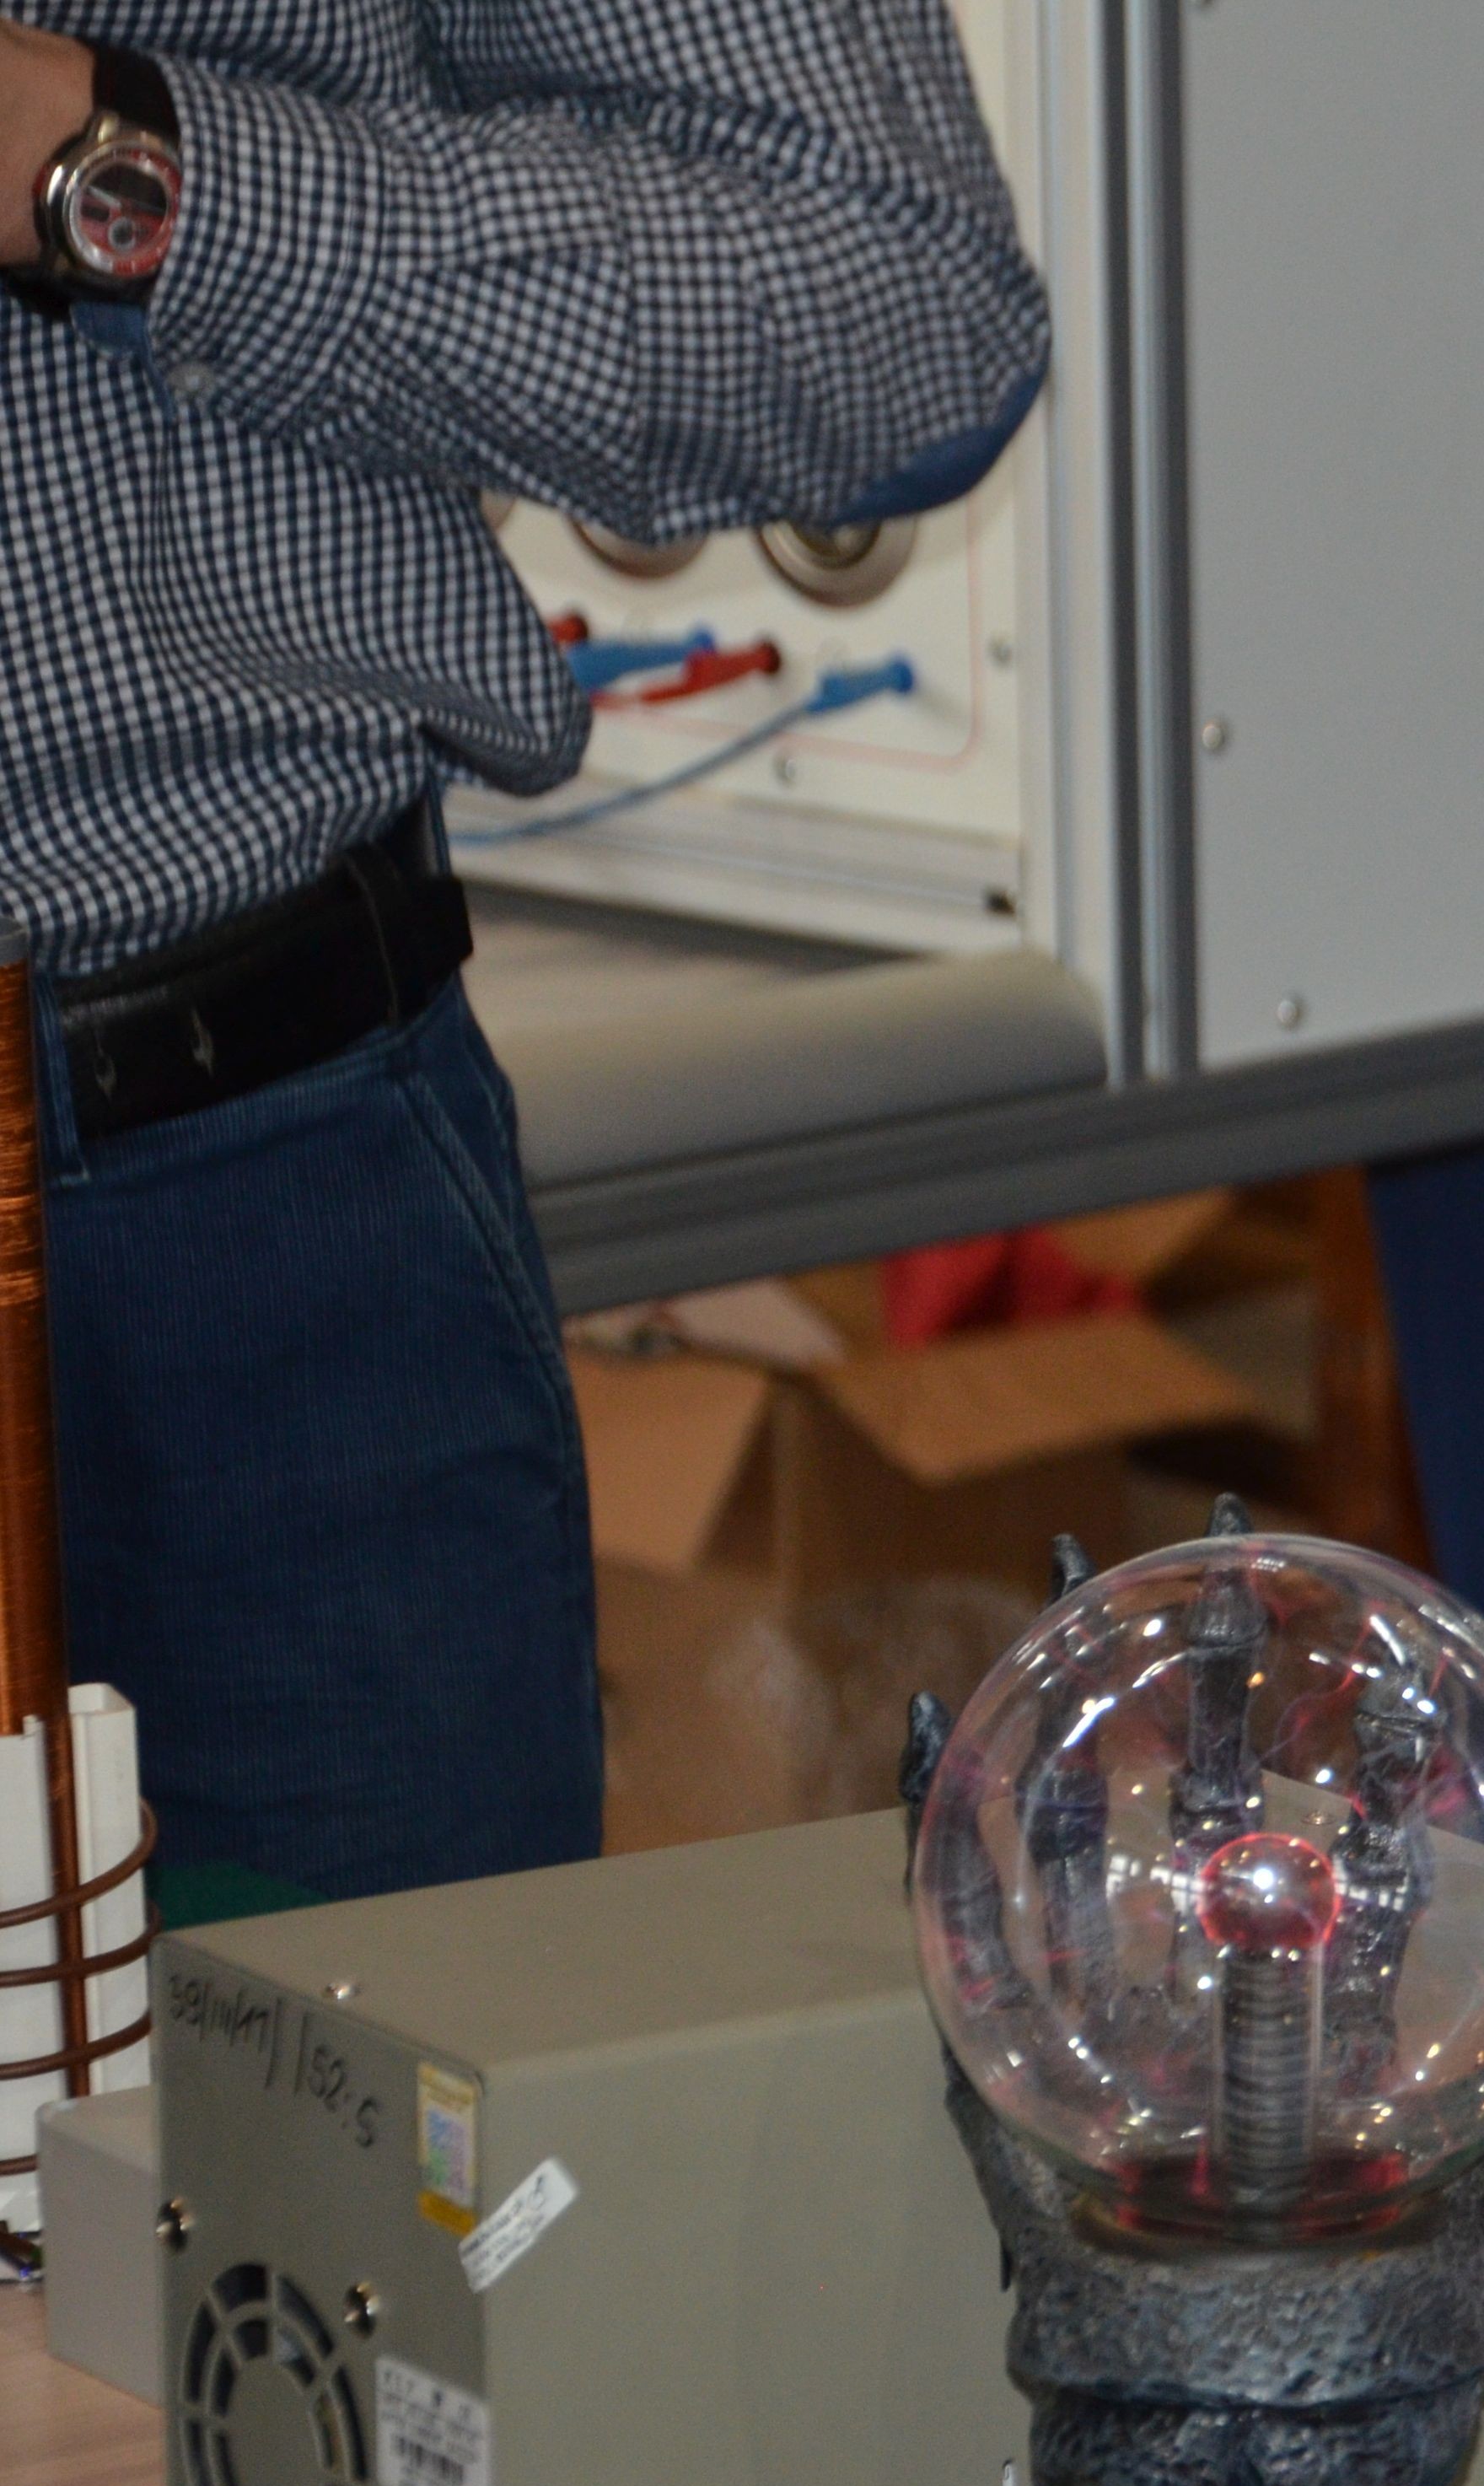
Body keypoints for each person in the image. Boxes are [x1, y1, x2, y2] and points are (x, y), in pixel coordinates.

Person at [0, 6, 1045, 1899]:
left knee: (378, 2093)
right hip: (237, 1210)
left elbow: (894, 312)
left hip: (237, 1241)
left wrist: (101, 166)